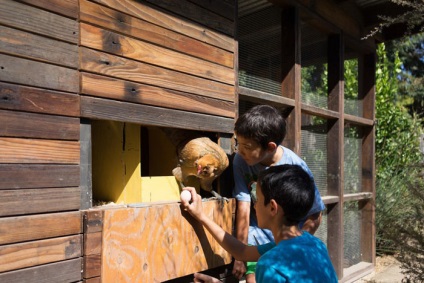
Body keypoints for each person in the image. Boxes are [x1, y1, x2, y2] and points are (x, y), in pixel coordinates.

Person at [181, 165, 338, 283]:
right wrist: (201, 216)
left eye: (257, 199)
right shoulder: (314, 244)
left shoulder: (270, 265)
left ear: (272, 207)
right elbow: (241, 251)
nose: (254, 205)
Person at [232, 104, 326, 282]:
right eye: (238, 143)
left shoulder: (295, 166)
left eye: (247, 146)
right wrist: (239, 257)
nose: (239, 150)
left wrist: (290, 248)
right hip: (256, 234)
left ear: (270, 147)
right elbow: (243, 205)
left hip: (286, 237)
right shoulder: (241, 160)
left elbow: (315, 214)